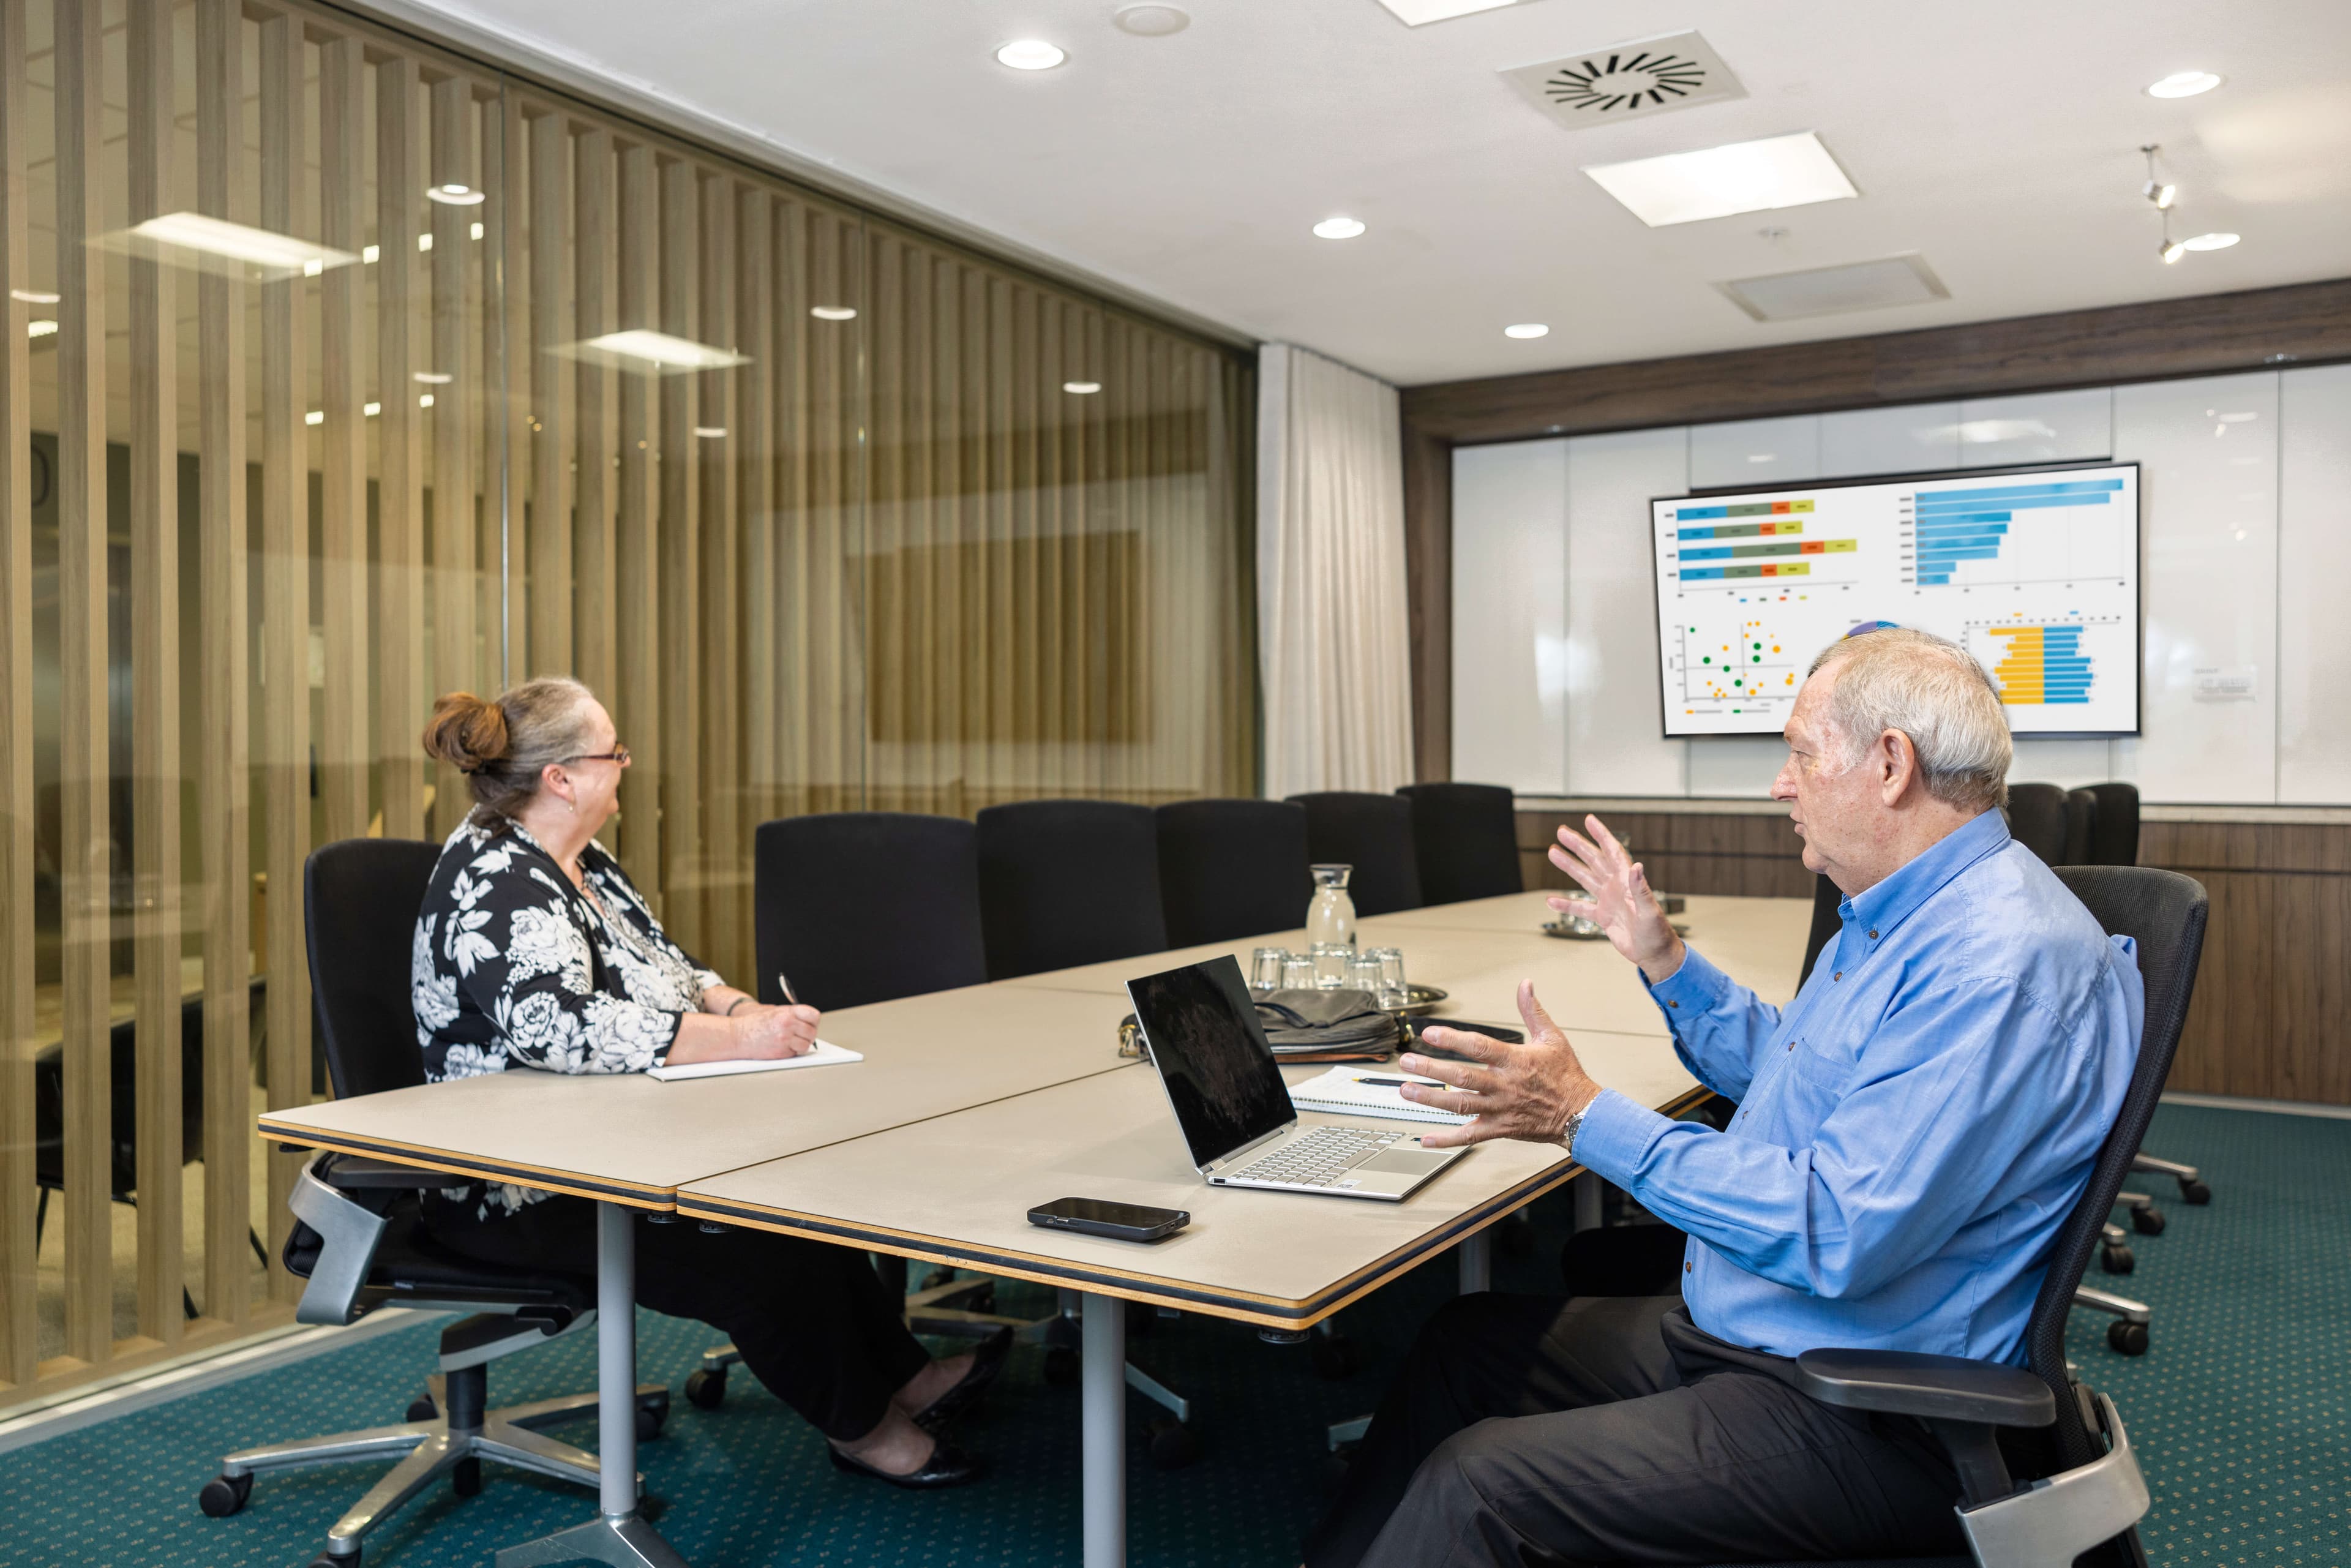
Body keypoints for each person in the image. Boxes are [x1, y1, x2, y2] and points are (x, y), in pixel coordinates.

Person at [1305, 626, 2145, 1566]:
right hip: (1779, 1335)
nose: (1782, 783)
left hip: (1868, 1402)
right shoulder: (1914, 911)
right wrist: (1664, 957)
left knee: (1480, 1485)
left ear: (1891, 764)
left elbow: (1833, 1225)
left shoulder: (1993, 964)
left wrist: (1581, 1114)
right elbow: (1797, 1078)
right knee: (1465, 1346)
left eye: (1798, 752)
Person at [413, 677, 1000, 1490]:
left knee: (796, 1206)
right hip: (519, 1180)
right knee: (744, 1247)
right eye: (612, 753)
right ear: (562, 778)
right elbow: (559, 1029)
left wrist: (738, 1005)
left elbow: (668, 965)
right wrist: (737, 1040)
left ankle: (903, 1378)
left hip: (612, 1138)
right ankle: (864, 1430)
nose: (625, 766)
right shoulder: (496, 879)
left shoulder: (581, 861)